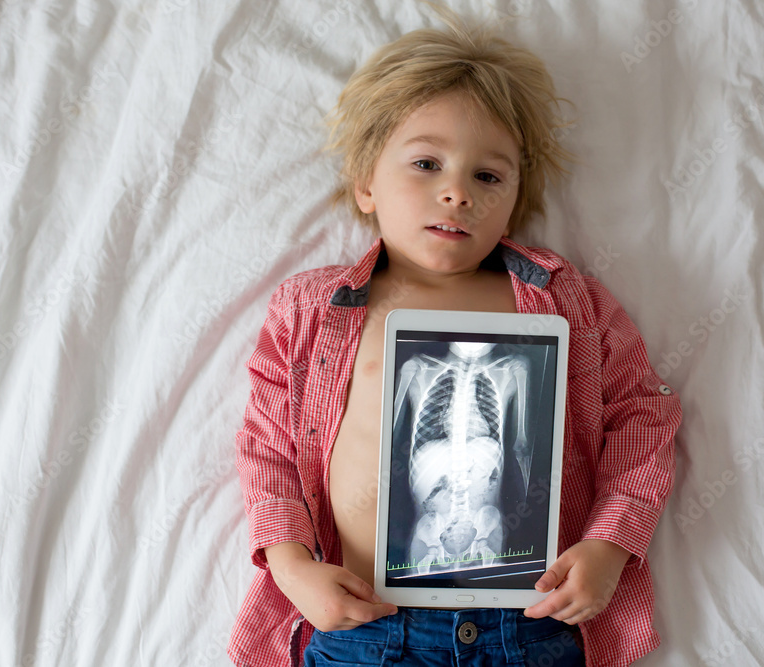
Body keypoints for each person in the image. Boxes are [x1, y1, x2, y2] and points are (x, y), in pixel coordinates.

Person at [228, 9, 682, 667]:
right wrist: (293, 566)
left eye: (487, 176)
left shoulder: (567, 302)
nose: (456, 193)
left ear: (515, 199)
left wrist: (610, 545)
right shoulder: (312, 310)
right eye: (426, 163)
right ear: (366, 184)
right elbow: (266, 448)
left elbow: (643, 416)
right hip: (366, 623)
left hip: (526, 625)